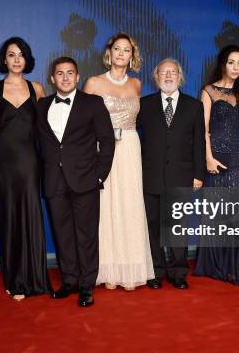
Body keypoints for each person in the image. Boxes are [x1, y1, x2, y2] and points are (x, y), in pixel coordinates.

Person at [35, 56, 115, 307]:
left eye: (70, 73)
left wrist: (99, 175)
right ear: (52, 78)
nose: (66, 77)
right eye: (60, 73)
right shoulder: (42, 105)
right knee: (63, 234)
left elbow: (108, 141)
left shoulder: (92, 103)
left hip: (85, 181)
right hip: (54, 181)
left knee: (86, 235)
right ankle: (69, 280)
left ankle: (86, 285)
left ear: (78, 77)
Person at [83, 33, 154, 291]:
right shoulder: (93, 82)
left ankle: (130, 269)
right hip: (102, 149)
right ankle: (107, 270)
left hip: (131, 150)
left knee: (129, 205)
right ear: (109, 53)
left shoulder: (136, 84)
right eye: (117, 49)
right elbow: (82, 120)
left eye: (127, 50)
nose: (121, 53)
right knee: (105, 206)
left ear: (132, 56)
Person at [0, 37, 50, 300]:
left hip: (31, 161)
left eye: (21, 55)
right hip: (3, 163)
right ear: (4, 59)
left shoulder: (37, 89)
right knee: (9, 218)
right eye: (11, 54)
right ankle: (16, 280)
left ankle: (36, 278)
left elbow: (46, 129)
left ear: (27, 59)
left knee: (32, 217)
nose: (16, 59)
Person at [194, 45, 239, 285]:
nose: (235, 67)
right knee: (215, 211)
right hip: (217, 159)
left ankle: (238, 264)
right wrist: (208, 158)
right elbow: (202, 129)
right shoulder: (208, 91)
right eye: (231, 62)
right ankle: (216, 263)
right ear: (223, 64)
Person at [138, 58, 205, 290]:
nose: (168, 76)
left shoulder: (194, 106)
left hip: (181, 176)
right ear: (156, 77)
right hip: (150, 177)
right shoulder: (143, 105)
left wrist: (198, 174)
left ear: (180, 77)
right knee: (153, 228)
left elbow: (198, 142)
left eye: (173, 72)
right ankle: (155, 272)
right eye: (163, 72)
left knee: (177, 227)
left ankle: (178, 272)